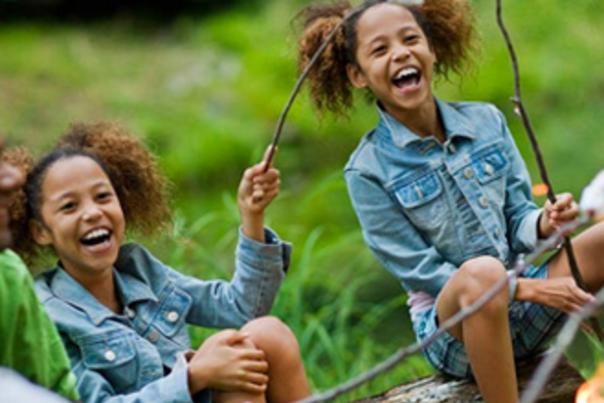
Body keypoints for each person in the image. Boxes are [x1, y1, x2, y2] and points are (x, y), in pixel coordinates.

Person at [296, 1, 604, 402]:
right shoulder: (368, 171)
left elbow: (517, 217)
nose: (401, 53)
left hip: (527, 305)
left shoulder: (486, 122)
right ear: (357, 75)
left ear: (432, 49)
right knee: (481, 273)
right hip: (455, 332)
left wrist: (546, 222)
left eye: (410, 39)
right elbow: (424, 271)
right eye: (380, 49)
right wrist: (527, 290)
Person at [7, 122, 310, 402]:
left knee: (268, 333)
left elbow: (243, 309)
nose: (92, 213)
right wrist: (193, 376)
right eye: (70, 206)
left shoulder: (138, 270)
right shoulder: (50, 315)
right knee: (237, 361)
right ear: (40, 232)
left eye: (102, 197)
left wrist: (251, 215)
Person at [0, 152, 79, 401]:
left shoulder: (8, 275)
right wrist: (188, 378)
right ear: (41, 231)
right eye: (68, 206)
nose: (13, 178)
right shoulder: (60, 311)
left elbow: (57, 390)